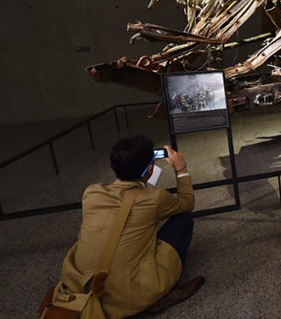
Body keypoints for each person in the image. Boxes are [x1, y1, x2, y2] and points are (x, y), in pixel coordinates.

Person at [54, 135, 204, 318]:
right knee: (182, 219)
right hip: (128, 295)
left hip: (81, 287)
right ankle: (164, 292)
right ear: (150, 168)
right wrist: (180, 168)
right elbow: (187, 202)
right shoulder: (154, 198)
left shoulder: (91, 192)